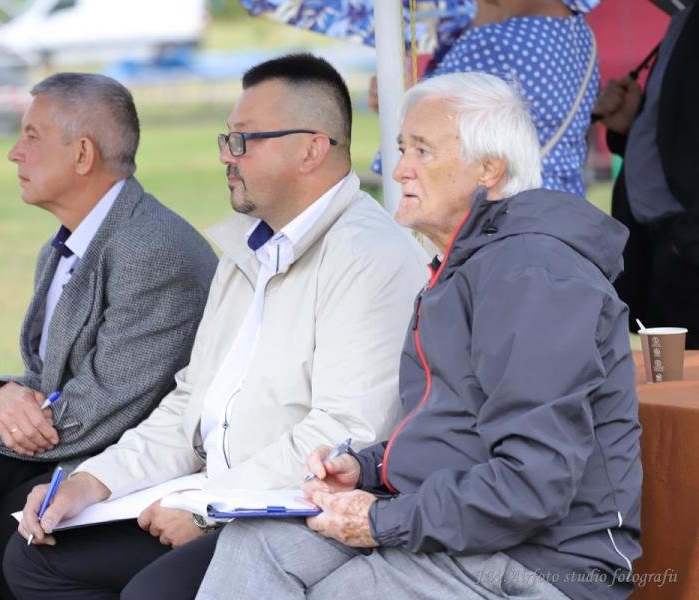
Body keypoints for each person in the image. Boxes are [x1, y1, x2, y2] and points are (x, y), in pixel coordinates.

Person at [197, 71, 642, 600]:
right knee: (256, 544)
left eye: (422, 151)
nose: (398, 168)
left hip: (541, 562)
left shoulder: (531, 273)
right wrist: (366, 469)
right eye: (402, 147)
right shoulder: (467, 264)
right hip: (458, 529)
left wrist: (380, 521)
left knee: (342, 593)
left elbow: (533, 484)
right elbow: (456, 432)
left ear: (489, 168)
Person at [2, 53, 429, 600]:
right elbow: (189, 404)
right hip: (219, 495)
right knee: (34, 557)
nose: (227, 155)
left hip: (295, 514)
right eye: (228, 138)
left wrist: (208, 506)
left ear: (311, 149)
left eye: (244, 140)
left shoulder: (366, 253)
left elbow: (345, 432)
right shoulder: (248, 249)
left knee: (151, 593)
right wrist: (91, 482)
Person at [0, 72, 219, 600]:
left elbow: (104, 407)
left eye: (32, 136)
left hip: (117, 462)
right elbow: (46, 380)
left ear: (82, 154)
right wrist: (2, 396)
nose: (14, 152)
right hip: (67, 445)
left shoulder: (152, 249)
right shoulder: (65, 247)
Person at [371, 0, 600, 197]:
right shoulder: (582, 34)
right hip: (567, 201)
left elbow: (421, 133)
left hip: (508, 207)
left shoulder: (492, 42)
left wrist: (394, 103)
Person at [595, 3, 699, 348]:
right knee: (669, 377)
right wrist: (631, 126)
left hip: (685, 245)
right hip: (661, 246)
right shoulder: (685, 20)